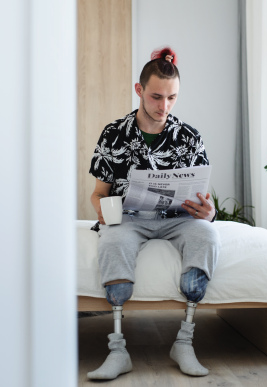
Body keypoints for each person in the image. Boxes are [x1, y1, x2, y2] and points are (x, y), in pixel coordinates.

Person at [86, 47, 221, 380]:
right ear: (139, 90)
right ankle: (118, 351)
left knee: (206, 235)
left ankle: (184, 343)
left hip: (178, 219)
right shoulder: (113, 133)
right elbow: (98, 193)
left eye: (172, 98)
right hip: (129, 218)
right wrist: (103, 211)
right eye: (156, 97)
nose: (164, 107)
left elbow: (204, 198)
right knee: (112, 244)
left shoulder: (189, 137)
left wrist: (209, 212)